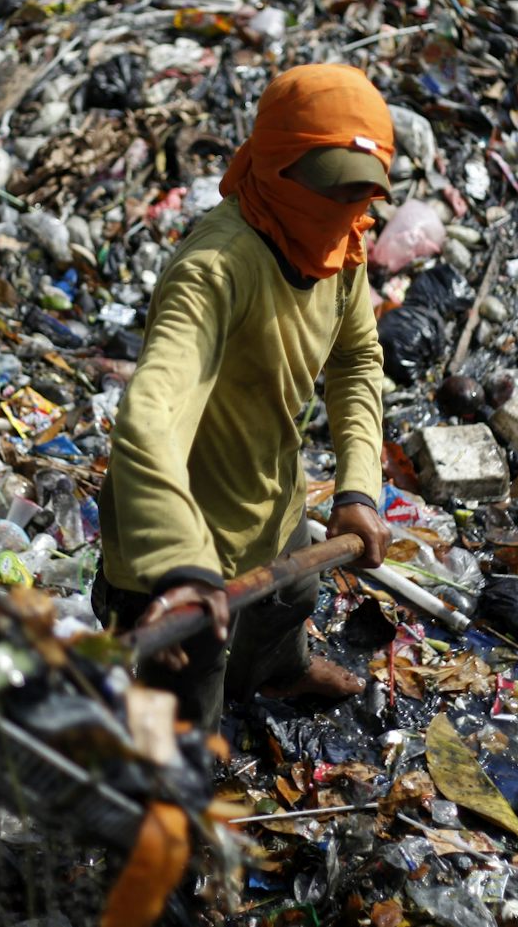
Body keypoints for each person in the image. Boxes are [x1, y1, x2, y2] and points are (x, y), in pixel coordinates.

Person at [92, 63, 395, 731]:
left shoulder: (343, 243)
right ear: (274, 164)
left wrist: (358, 490)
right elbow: (153, 413)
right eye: (331, 191)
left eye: (361, 196)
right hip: (181, 529)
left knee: (293, 596)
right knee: (187, 684)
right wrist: (179, 565)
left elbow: (357, 358)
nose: (348, 212)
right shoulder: (217, 268)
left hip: (270, 492)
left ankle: (279, 673)